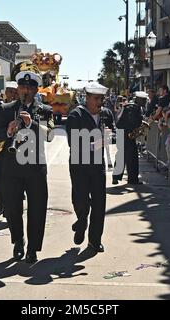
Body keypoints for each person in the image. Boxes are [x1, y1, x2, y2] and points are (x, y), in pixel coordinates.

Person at [0, 64, 54, 263]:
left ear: (36, 90)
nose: (25, 91)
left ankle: (33, 249)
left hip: (35, 168)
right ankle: (18, 241)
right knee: (12, 208)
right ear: (17, 89)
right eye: (22, 87)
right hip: (11, 168)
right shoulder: (6, 109)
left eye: (29, 88)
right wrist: (8, 132)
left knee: (37, 209)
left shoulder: (45, 110)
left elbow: (50, 135)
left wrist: (31, 124)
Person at [66, 82, 110, 253]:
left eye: (102, 99)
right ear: (88, 98)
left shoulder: (106, 114)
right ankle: (82, 221)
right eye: (97, 99)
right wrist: (99, 142)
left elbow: (112, 134)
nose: (100, 102)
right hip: (79, 165)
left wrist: (111, 136)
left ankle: (95, 240)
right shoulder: (76, 115)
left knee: (99, 203)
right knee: (81, 199)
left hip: (98, 165)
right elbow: (74, 142)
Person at [113, 100, 144, 185]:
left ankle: (115, 177)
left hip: (121, 132)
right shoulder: (136, 108)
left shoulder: (126, 106)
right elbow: (136, 122)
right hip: (129, 135)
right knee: (132, 158)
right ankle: (133, 179)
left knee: (121, 155)